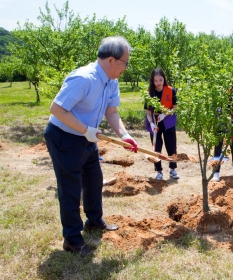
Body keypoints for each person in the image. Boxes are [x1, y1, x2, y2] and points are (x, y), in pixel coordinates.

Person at [44, 36, 138, 257]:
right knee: (70, 189)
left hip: (87, 137)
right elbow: (57, 109)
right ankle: (72, 240)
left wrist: (124, 135)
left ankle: (94, 221)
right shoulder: (84, 78)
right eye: (125, 62)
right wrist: (85, 129)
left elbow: (112, 112)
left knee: (94, 180)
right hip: (64, 137)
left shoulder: (111, 81)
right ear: (112, 60)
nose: (126, 67)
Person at [144, 68, 179, 180]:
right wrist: (151, 123)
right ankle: (159, 171)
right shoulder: (149, 93)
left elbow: (174, 108)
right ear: (152, 81)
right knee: (156, 148)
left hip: (168, 121)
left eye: (160, 80)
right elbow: (148, 112)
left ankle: (173, 169)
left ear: (164, 79)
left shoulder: (171, 91)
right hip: (155, 122)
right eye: (156, 81)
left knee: (171, 146)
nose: (158, 83)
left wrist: (166, 114)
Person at [212, 76, 233, 182]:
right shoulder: (224, 91)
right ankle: (216, 172)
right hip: (221, 121)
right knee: (218, 146)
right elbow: (219, 108)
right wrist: (225, 120)